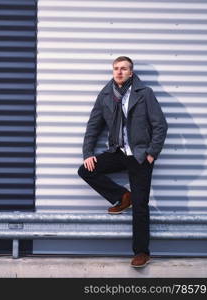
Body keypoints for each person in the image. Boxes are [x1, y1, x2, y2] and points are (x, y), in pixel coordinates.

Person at [78, 56, 168, 268]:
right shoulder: (106, 94)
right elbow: (93, 126)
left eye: (124, 69)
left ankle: (141, 252)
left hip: (139, 155)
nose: (119, 72)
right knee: (86, 170)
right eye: (116, 68)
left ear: (131, 72)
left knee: (140, 205)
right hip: (118, 151)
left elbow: (160, 126)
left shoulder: (144, 94)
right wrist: (88, 152)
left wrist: (152, 153)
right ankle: (121, 195)